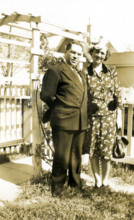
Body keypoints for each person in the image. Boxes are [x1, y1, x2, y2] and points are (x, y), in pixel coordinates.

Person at [40, 40, 88, 196]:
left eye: (78, 54)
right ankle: (58, 190)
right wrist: (59, 106)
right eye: (72, 52)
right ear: (66, 52)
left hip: (80, 120)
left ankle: (75, 185)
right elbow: (46, 95)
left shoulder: (80, 73)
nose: (75, 56)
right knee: (61, 157)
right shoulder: (56, 70)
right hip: (63, 120)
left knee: (76, 156)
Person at [83, 38, 122, 188]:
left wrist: (118, 114)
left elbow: (118, 93)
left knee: (106, 152)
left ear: (105, 55)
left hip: (109, 118)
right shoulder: (85, 72)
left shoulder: (111, 72)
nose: (99, 55)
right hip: (92, 117)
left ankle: (105, 181)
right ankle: (97, 180)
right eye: (96, 52)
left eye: (102, 53)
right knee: (93, 151)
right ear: (92, 53)